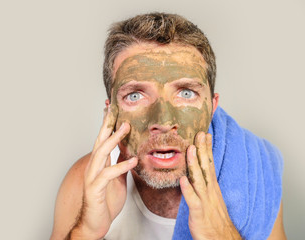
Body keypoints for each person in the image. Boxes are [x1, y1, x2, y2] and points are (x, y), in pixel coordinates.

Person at [50, 13, 286, 240]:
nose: (163, 122)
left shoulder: (253, 175)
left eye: (186, 93)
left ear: (212, 107)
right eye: (135, 96)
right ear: (110, 111)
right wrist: (86, 232)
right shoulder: (86, 181)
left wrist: (222, 235)